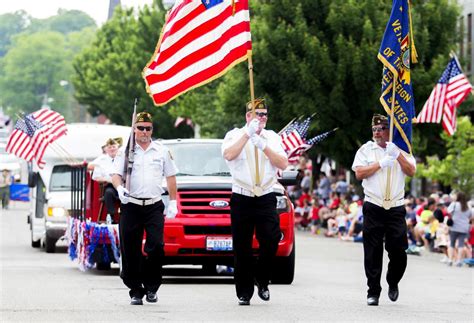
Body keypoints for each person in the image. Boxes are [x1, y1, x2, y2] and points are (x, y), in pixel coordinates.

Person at [222, 98, 288, 306]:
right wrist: (247, 135)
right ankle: (244, 291)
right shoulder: (234, 135)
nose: (263, 118)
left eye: (265, 114)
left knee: (271, 238)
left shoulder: (272, 137)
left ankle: (262, 278)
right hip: (242, 196)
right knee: (242, 246)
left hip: (266, 195)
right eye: (258, 114)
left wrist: (264, 146)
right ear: (248, 116)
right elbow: (229, 155)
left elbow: (283, 163)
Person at [111, 112, 178, 305]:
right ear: (134, 129)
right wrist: (119, 188)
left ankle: (152, 287)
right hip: (131, 205)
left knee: (156, 246)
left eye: (148, 128)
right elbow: (116, 174)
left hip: (153, 205)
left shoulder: (161, 150)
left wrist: (173, 201)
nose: (144, 132)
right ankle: (135, 290)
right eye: (141, 128)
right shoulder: (126, 150)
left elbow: (171, 177)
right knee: (130, 249)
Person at [352, 114, 416, 306]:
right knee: (372, 251)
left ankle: (393, 280)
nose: (377, 133)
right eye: (374, 130)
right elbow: (359, 173)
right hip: (373, 204)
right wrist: (380, 164)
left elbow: (411, 171)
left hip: (395, 206)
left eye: (381, 129)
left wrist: (397, 155)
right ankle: (373, 291)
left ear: (390, 130)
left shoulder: (402, 148)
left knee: (398, 250)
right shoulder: (366, 149)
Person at [92, 137, 123, 222]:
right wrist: (107, 179)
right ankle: (112, 216)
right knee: (108, 193)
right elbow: (96, 177)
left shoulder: (123, 158)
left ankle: (128, 216)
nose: (112, 149)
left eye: (114, 147)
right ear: (106, 149)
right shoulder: (102, 160)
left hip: (124, 185)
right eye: (109, 147)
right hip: (110, 185)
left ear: (118, 147)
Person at [446, 192, 473, 267]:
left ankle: (450, 260)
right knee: (461, 245)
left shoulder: (454, 204)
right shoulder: (468, 206)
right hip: (464, 228)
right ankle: (459, 261)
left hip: (454, 226)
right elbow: (471, 216)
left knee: (452, 244)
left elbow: (448, 211)